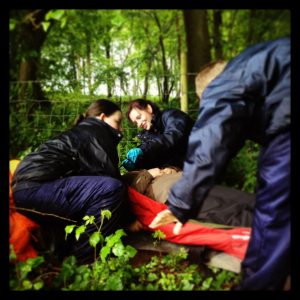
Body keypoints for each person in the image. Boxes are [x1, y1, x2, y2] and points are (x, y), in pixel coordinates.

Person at [149, 37, 290, 290]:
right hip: (167, 177)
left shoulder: (224, 84)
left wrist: (181, 203)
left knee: (271, 210)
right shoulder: (261, 66)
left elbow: (212, 139)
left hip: (178, 178)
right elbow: (225, 140)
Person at [12, 99, 129, 265]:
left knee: (98, 191)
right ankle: (85, 262)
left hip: (26, 189)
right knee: (112, 188)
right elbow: (109, 176)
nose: (121, 129)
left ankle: (62, 252)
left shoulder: (82, 131)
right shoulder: (96, 132)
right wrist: (130, 220)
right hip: (37, 188)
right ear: (102, 117)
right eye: (118, 121)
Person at [123, 167, 254, 231]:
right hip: (171, 194)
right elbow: (132, 191)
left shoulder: (132, 172)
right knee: (223, 213)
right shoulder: (123, 182)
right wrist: (149, 174)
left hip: (186, 179)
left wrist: (171, 169)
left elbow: (164, 169)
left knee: (237, 197)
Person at [122, 99, 194, 171]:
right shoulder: (148, 134)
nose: (139, 124)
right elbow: (153, 157)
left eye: (139, 117)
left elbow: (173, 135)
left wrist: (143, 150)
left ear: (149, 109)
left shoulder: (172, 115)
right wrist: (138, 162)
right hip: (178, 167)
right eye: (136, 122)